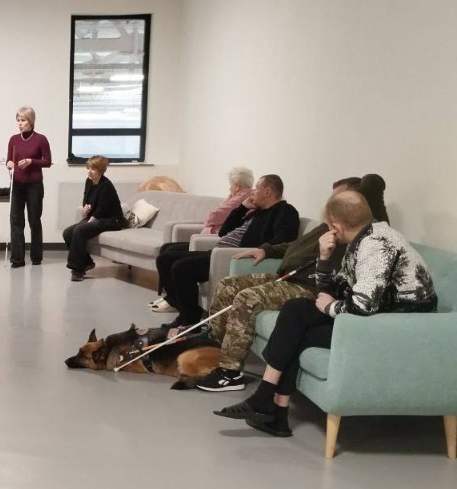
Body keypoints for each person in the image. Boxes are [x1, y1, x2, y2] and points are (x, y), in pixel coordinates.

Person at [214, 190, 436, 437]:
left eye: (328, 226)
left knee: (298, 332)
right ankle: (270, 405)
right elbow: (333, 289)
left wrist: (329, 307)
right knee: (295, 309)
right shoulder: (364, 237)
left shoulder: (376, 246)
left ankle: (272, 408)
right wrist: (324, 258)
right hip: (376, 317)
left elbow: (362, 306)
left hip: (394, 327)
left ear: (336, 227)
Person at [195, 176, 382, 392]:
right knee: (228, 285)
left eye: (337, 198)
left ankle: (230, 373)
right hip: (287, 277)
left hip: (307, 288)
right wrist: (267, 250)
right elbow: (296, 245)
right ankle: (214, 347)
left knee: (248, 298)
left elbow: (339, 276)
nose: (330, 203)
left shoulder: (355, 235)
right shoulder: (326, 227)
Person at [155, 174, 300, 328]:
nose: (252, 192)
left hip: (232, 256)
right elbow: (224, 231)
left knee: (180, 267)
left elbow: (283, 240)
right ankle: (185, 309)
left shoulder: (286, 211)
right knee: (164, 259)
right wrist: (242, 208)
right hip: (219, 251)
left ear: (268, 192)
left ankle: (190, 321)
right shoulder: (257, 211)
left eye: (257, 188)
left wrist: (259, 249)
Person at [150, 166, 254, 312]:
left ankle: (175, 301)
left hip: (213, 240)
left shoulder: (242, 198)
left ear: (236, 185)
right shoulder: (237, 197)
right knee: (166, 249)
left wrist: (213, 219)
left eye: (231, 184)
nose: (229, 188)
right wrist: (226, 201)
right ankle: (171, 298)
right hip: (209, 238)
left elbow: (214, 216)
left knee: (169, 255)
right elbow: (217, 216)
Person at [62, 155, 126, 281]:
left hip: (113, 220)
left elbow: (102, 209)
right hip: (98, 217)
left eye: (93, 169)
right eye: (88, 168)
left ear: (101, 171)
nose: (89, 171)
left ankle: (77, 270)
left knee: (79, 230)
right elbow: (86, 199)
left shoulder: (106, 185)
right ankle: (87, 262)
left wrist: (88, 222)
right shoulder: (89, 181)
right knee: (67, 232)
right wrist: (86, 207)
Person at [6, 106, 51, 268]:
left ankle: (36, 256)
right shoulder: (13, 139)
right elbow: (9, 160)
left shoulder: (41, 139)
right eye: (18, 120)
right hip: (17, 185)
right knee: (16, 220)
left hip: (34, 186)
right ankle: (17, 259)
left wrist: (31, 161)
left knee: (34, 220)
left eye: (23, 120)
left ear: (31, 121)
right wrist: (9, 164)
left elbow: (47, 162)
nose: (20, 123)